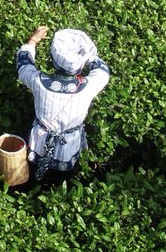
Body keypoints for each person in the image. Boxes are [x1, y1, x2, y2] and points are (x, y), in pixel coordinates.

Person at [15, 26, 111, 183]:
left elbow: (23, 63)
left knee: (32, 176)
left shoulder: (39, 81)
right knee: (61, 183)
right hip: (68, 150)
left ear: (52, 59)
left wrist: (33, 40)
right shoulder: (89, 86)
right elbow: (103, 70)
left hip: (38, 146)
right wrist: (88, 54)